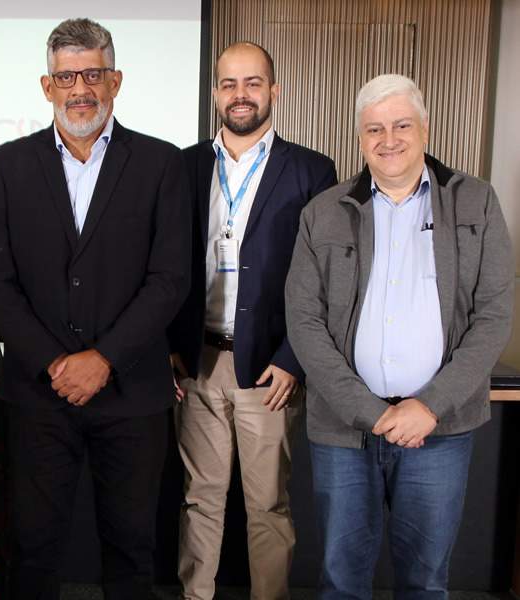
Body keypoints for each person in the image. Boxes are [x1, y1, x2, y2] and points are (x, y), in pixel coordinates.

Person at [0, 17, 191, 600]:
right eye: (66, 77)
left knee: (130, 548)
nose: (80, 89)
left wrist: (104, 359)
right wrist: (54, 363)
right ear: (47, 87)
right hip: (38, 395)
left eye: (92, 74)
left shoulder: (160, 163)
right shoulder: (10, 164)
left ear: (115, 80)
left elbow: (170, 280)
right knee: (34, 548)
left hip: (132, 394)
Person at [285, 73, 514, 599]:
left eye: (401, 125)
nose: (388, 139)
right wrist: (375, 414)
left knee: (426, 581)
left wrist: (428, 406)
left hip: (440, 429)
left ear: (425, 129)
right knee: (341, 581)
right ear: (361, 138)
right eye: (374, 129)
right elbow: (304, 321)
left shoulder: (475, 202)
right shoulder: (322, 213)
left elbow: (494, 315)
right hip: (346, 431)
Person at [169, 42, 337, 600]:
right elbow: (166, 263)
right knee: (201, 498)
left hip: (268, 367)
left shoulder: (312, 170)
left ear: (274, 91)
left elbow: (325, 276)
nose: (240, 95)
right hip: (199, 362)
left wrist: (293, 358)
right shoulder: (184, 165)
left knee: (268, 503)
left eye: (252, 83)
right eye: (228, 84)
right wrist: (171, 346)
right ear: (215, 92)